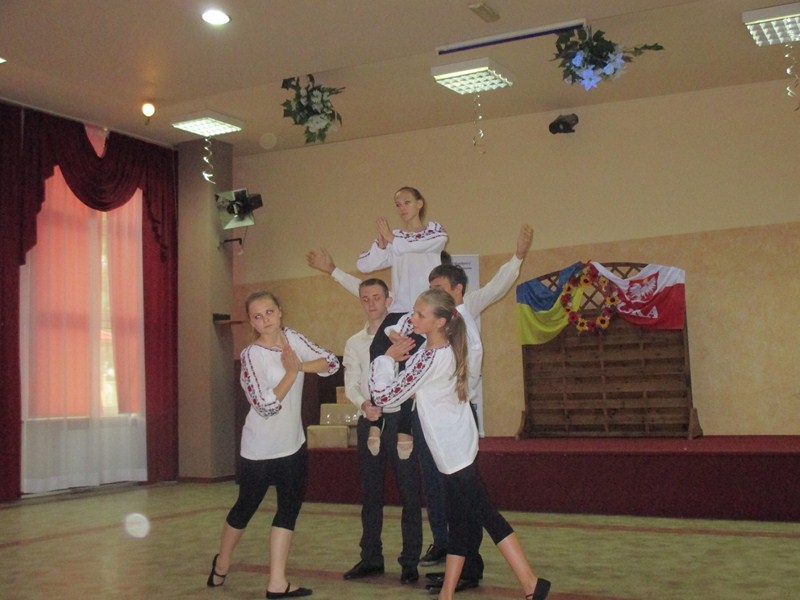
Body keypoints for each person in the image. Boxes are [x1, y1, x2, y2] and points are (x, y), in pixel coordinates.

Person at [369, 288, 551, 600]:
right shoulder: (438, 345)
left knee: (486, 516)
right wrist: (400, 334)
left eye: (420, 314)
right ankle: (448, 593)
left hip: (452, 452)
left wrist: (386, 358)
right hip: (454, 447)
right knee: (461, 522)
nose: (412, 318)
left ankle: (532, 584)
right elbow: (400, 326)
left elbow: (385, 396)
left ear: (439, 322)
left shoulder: (432, 358)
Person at [389, 224, 535, 590]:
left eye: (439, 288)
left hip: (453, 419)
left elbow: (498, 286)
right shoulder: (434, 333)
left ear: (457, 290)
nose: (432, 293)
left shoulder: (462, 316)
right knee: (449, 500)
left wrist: (517, 257)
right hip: (435, 419)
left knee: (473, 505)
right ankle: (455, 575)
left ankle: (517, 580)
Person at [206, 291, 340, 599]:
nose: (265, 319)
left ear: (280, 311)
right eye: (257, 316)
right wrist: (291, 373)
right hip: (259, 450)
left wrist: (299, 366)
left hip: (292, 445)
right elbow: (265, 406)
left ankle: (277, 582)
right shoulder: (251, 355)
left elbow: (331, 363)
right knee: (245, 508)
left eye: (269, 312)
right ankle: (222, 562)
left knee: (288, 510)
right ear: (252, 322)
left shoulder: (293, 339)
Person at [337, 277, 423, 584]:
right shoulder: (354, 342)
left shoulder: (407, 335)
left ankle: (410, 561)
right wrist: (363, 405)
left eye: (376, 297)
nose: (371, 303)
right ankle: (371, 557)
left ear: (389, 300)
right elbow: (351, 383)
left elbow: (416, 375)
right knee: (371, 494)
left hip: (403, 423)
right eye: (365, 298)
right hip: (370, 421)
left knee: (409, 494)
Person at [356, 186, 448, 459]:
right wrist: (383, 244)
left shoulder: (434, 231)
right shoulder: (394, 238)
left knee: (410, 363)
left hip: (422, 311)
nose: (402, 208)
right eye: (397, 204)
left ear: (419, 203)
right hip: (398, 311)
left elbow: (416, 245)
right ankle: (376, 419)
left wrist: (393, 240)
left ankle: (405, 428)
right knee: (378, 351)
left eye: (407, 202)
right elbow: (364, 265)